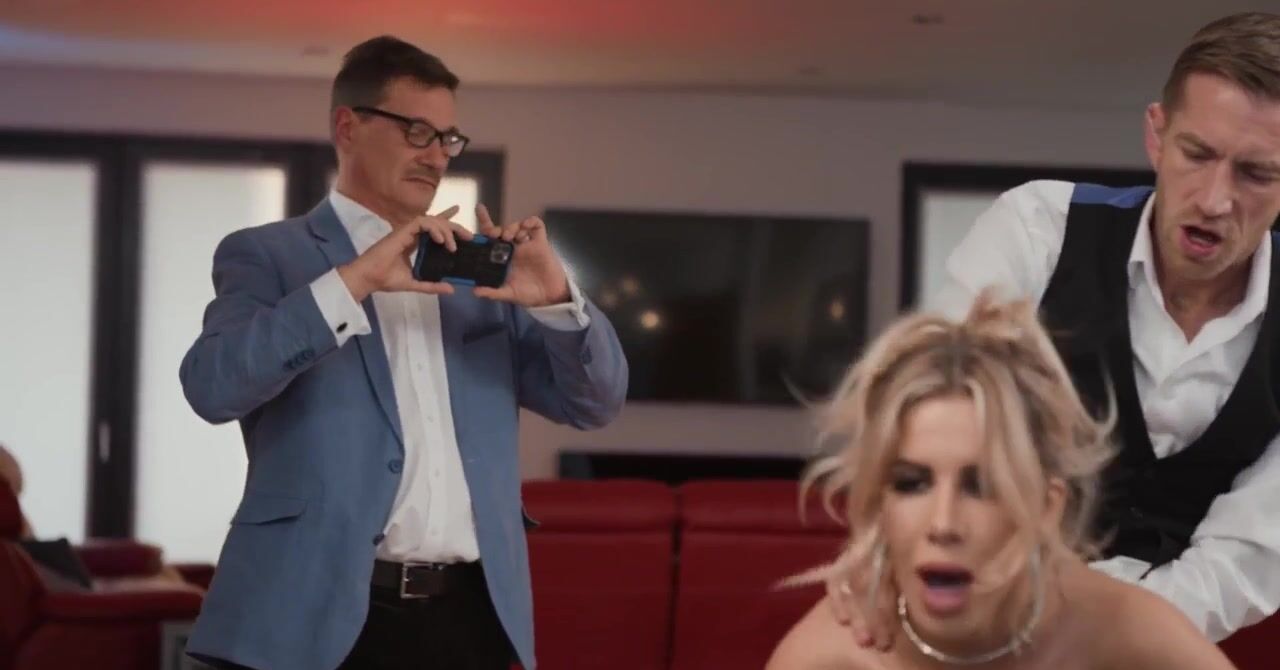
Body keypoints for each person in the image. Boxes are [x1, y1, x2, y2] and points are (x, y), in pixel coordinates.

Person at [178, 35, 627, 670]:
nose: (437, 155)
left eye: (448, 138)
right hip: (308, 615)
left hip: (470, 620)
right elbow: (212, 387)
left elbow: (595, 405)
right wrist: (351, 283)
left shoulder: (480, 272)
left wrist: (556, 299)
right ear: (347, 127)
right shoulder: (267, 254)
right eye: (417, 131)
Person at [836, 11, 1280, 647]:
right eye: (1197, 154)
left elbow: (1253, 550)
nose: (1214, 199)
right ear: (1157, 136)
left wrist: (1102, 633)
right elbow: (930, 404)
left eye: (1256, 173)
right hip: (985, 609)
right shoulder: (1038, 230)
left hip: (1161, 642)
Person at [767, 293, 1236, 669]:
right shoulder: (827, 658)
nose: (943, 524)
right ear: (877, 504)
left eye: (982, 486)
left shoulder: (1127, 633)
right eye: (912, 483)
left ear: (1047, 507)